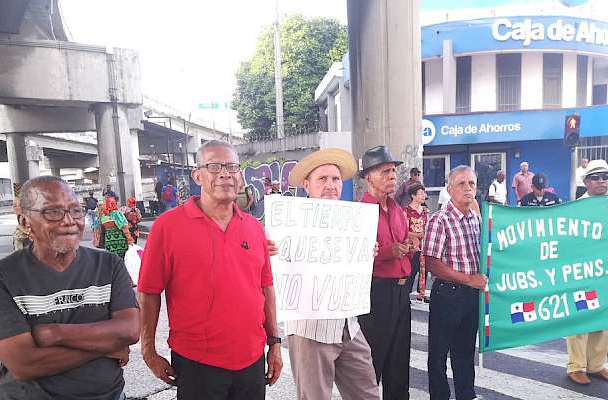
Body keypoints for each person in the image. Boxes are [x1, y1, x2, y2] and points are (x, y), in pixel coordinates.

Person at [138, 141, 282, 400]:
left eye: (232, 167)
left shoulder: (253, 227)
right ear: (197, 176)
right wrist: (148, 350)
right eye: (214, 166)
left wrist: (275, 344)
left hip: (251, 359)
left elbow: (266, 288)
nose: (225, 173)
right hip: (197, 362)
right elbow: (148, 292)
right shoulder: (167, 227)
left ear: (240, 177)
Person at [0, 176, 139, 400]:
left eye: (75, 210)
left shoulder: (109, 265)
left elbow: (129, 331)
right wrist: (104, 346)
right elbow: (25, 364)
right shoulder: (0, 278)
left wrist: (54, 333)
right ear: (25, 223)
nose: (69, 221)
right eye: (53, 212)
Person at [281, 148, 379, 400]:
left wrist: (365, 252)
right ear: (307, 185)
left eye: (335, 179)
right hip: (310, 329)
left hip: (349, 325)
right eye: (322, 179)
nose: (330, 185)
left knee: (367, 393)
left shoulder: (352, 221)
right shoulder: (290, 223)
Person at [422, 165, 486, 400]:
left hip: (471, 296)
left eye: (471, 183)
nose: (468, 188)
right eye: (461, 184)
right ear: (449, 189)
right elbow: (432, 263)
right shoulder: (440, 220)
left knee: (465, 352)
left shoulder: (476, 219)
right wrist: (469, 279)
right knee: (438, 356)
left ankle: (466, 396)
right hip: (447, 295)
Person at [566, 159, 608, 385]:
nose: (602, 181)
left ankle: (596, 365)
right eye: (596, 177)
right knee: (581, 316)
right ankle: (576, 366)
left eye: (605, 177)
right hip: (583, 271)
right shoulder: (576, 207)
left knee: (605, 317)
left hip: (607, 271)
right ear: (586, 181)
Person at [357, 145, 412, 400]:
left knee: (399, 364)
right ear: (368, 177)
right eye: (385, 172)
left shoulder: (398, 210)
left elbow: (402, 246)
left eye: (393, 171)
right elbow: (355, 259)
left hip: (402, 292)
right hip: (376, 292)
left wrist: (408, 247)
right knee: (372, 364)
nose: (392, 176)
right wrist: (390, 252)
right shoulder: (359, 213)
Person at [405, 184, 429, 301]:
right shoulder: (406, 211)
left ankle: (422, 293)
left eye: (423, 193)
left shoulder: (425, 211)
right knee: (411, 270)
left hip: (424, 245)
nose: (423, 196)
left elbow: (428, 226)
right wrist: (418, 235)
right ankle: (406, 294)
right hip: (412, 246)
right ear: (413, 196)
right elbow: (404, 231)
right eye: (420, 193)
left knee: (424, 269)